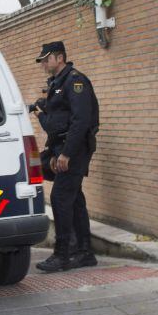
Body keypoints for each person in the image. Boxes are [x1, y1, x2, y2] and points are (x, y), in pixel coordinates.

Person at [32, 41, 100, 272]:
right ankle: (85, 252)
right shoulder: (58, 83)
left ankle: (62, 256)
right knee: (75, 199)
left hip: (74, 149)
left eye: (45, 59)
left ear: (59, 58)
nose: (43, 64)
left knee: (61, 198)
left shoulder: (75, 81)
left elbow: (81, 121)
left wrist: (67, 154)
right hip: (62, 147)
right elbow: (59, 115)